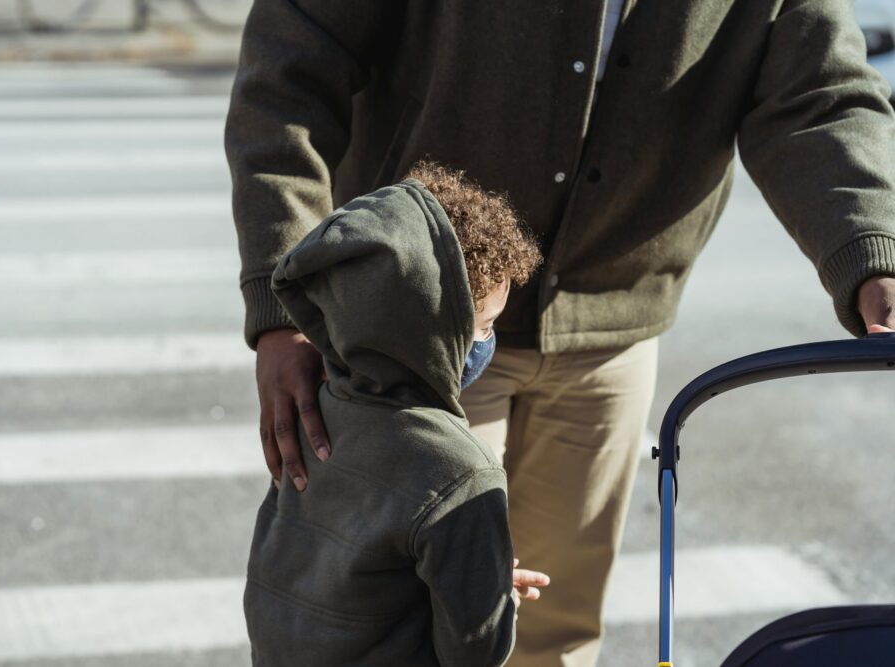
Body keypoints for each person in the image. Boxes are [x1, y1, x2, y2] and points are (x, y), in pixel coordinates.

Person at [224, 2, 895, 664]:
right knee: (395, 621)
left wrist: (873, 253)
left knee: (555, 634)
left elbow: (820, 94)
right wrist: (284, 306)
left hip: (612, 325)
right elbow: (289, 65)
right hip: (412, 334)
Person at [243, 161, 546, 666]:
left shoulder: (317, 410)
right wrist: (497, 596)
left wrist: (473, 570)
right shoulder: (461, 470)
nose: (489, 342)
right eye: (485, 326)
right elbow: (475, 651)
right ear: (432, 332)